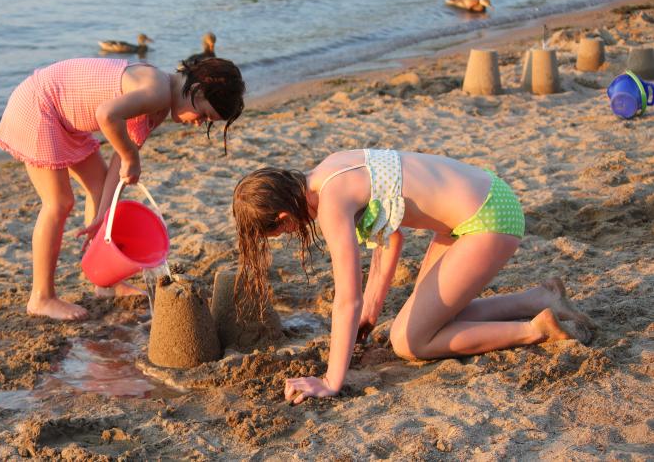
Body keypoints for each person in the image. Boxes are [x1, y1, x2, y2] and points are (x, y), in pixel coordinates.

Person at [232, 148, 593, 404]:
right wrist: (372, 312)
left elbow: (345, 299)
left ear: (282, 218)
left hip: (488, 221)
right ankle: (540, 298)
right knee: (426, 321)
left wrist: (330, 381)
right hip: (480, 201)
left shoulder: (330, 204)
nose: (291, 235)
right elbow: (390, 237)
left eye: (281, 233)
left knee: (410, 342)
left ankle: (534, 330)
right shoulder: (330, 168)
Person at [0, 57, 245, 320]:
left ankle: (105, 282)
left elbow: (120, 159)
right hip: (39, 106)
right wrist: (130, 158)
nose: (200, 123)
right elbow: (106, 115)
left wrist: (104, 211)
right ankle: (41, 297)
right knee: (59, 202)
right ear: (195, 91)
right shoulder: (156, 89)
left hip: (62, 117)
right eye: (204, 115)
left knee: (102, 190)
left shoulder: (159, 103)